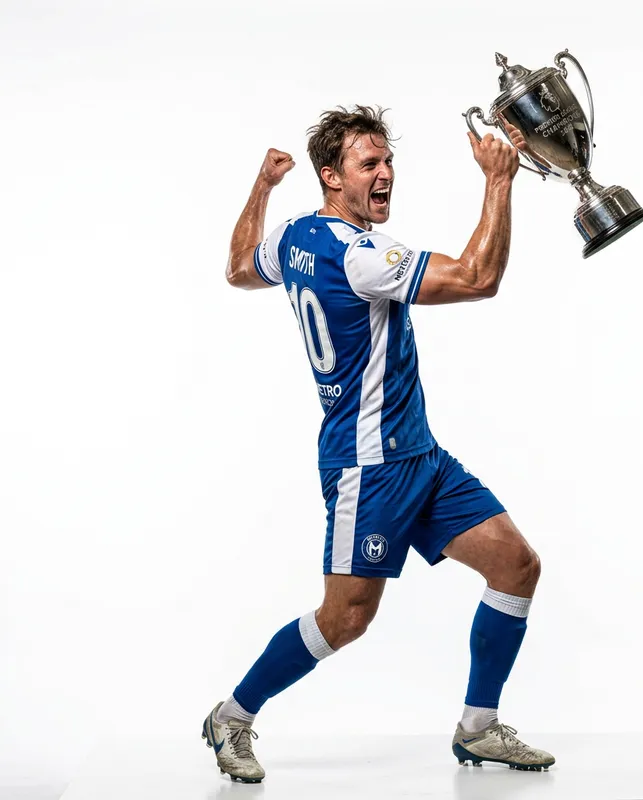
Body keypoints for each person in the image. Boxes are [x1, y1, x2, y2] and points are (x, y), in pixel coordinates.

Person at [201, 106, 556, 783]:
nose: (386, 172)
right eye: (370, 164)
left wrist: (263, 185)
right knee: (346, 619)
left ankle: (477, 730)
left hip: (420, 456)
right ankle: (232, 715)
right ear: (333, 178)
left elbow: (239, 267)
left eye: (388, 160)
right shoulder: (363, 256)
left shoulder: (297, 237)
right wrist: (500, 181)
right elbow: (479, 278)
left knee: (515, 565)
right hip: (368, 467)